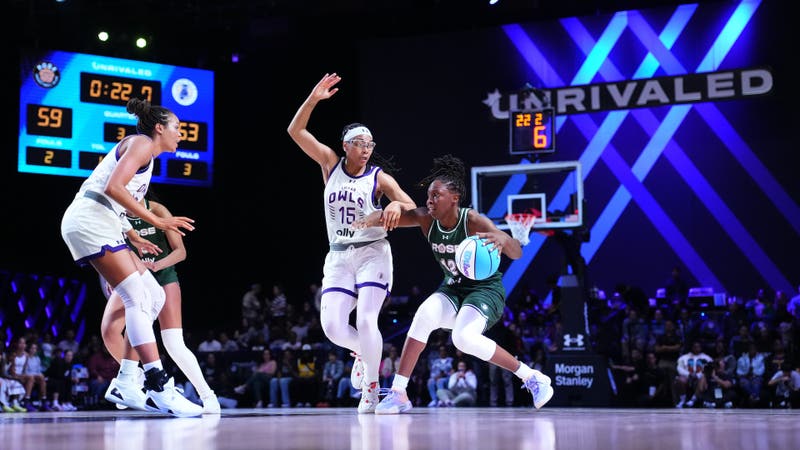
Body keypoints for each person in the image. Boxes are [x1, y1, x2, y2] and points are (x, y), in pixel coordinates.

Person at [355, 154, 553, 414]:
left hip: (485, 290)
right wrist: (375, 216)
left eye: (436, 195)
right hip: (453, 288)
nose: (430, 200)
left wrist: (502, 238)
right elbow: (393, 217)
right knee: (423, 315)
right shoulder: (427, 218)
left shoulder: (472, 220)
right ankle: (398, 393)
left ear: (454, 199)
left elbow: (516, 252)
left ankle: (531, 377)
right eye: (428, 195)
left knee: (463, 339)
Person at [59, 97, 202, 418]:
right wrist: (159, 222)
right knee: (138, 297)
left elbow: (119, 200)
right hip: (90, 219)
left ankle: (126, 380)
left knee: (152, 297)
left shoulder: (146, 156)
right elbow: (113, 187)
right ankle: (158, 384)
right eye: (178, 128)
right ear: (159, 128)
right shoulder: (140, 143)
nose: (182, 134)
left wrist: (135, 235)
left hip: (104, 221)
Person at [287, 72, 416, 413]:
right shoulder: (330, 164)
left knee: (366, 319)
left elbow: (409, 205)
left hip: (373, 252)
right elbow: (295, 132)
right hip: (339, 256)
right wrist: (313, 98)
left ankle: (372, 388)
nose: (366, 149)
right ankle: (364, 352)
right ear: (346, 145)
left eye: (370, 144)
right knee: (331, 327)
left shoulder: (379, 177)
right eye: (360, 143)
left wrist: (392, 204)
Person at [98, 194, 221, 414]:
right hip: (132, 276)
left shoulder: (158, 211)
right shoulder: (118, 212)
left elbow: (181, 252)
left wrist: (156, 265)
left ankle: (208, 396)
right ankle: (136, 380)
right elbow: (113, 248)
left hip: (163, 277)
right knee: (109, 330)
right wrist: (109, 276)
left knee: (173, 342)